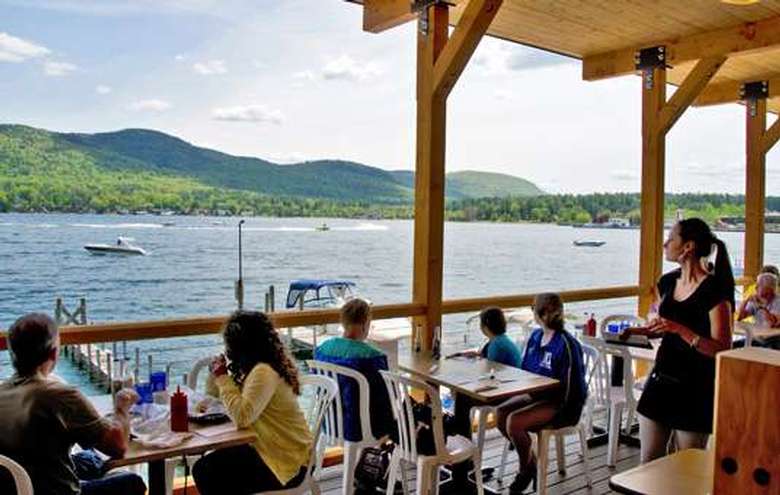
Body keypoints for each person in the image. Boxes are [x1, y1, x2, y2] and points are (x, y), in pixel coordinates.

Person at [623, 218, 734, 463]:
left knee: (686, 470)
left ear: (688, 247)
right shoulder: (667, 283)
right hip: (662, 379)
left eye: (671, 238)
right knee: (648, 464)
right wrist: (638, 331)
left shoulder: (715, 292)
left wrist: (680, 329)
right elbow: (665, 329)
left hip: (696, 388)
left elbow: (722, 349)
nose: (665, 244)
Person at [0, 313, 146, 495]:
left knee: (88, 459)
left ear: (12, 352)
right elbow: (118, 448)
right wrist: (121, 408)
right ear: (54, 353)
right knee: (132, 482)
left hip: (20, 486)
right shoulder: (59, 395)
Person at [192, 311, 313, 494]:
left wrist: (223, 377)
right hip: (271, 449)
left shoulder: (263, 372)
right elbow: (217, 401)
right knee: (208, 466)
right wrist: (216, 376)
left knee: (206, 470)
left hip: (287, 461)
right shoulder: (256, 368)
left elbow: (242, 416)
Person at [495, 293, 587, 494]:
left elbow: (575, 389)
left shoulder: (567, 344)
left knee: (514, 422)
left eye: (532, 308)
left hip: (562, 404)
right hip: (537, 396)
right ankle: (530, 463)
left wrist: (562, 408)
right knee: (501, 414)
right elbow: (526, 370)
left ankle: (524, 471)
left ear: (541, 313)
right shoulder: (536, 337)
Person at [314, 298, 395, 442]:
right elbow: (387, 397)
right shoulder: (372, 356)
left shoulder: (322, 349)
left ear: (343, 322)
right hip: (361, 428)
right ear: (365, 323)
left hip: (329, 422)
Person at [450, 306, 523, 367]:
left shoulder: (497, 345)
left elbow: (491, 367)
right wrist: (477, 354)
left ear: (485, 327)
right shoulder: (501, 339)